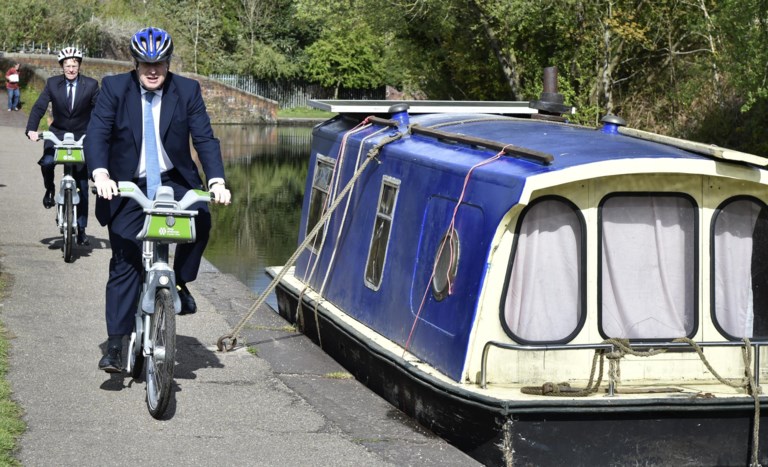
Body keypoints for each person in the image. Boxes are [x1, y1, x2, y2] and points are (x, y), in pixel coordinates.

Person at [85, 27, 231, 373]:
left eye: (160, 64)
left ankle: (179, 279)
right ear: (135, 63)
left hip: (173, 178)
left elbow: (205, 139)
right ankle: (118, 346)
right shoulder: (114, 89)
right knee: (125, 261)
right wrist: (100, 174)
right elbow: (97, 134)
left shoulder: (187, 90)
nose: (153, 71)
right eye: (146, 64)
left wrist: (217, 180)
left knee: (201, 217)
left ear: (168, 63)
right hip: (125, 182)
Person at [25, 47, 100, 245]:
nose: (71, 69)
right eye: (67, 65)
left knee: (82, 182)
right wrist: (32, 129)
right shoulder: (52, 84)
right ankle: (49, 189)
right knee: (47, 162)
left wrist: (100, 133)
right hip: (57, 132)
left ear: (79, 66)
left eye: (74, 65)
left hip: (82, 135)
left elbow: (101, 111)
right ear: (62, 67)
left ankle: (81, 228)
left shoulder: (91, 85)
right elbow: (40, 106)